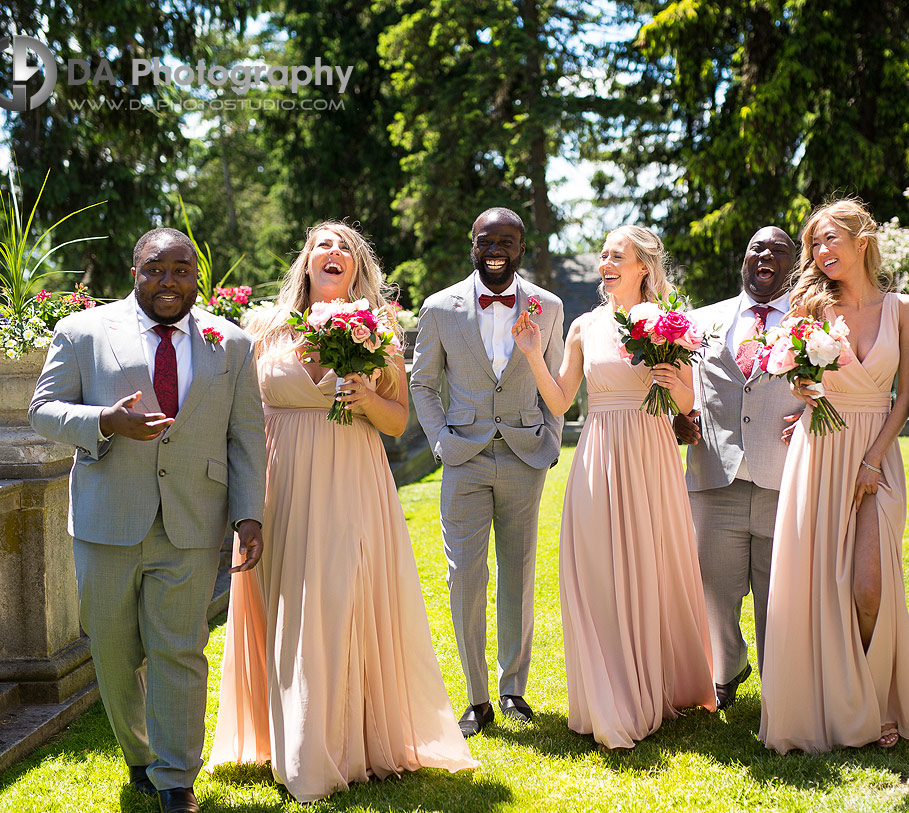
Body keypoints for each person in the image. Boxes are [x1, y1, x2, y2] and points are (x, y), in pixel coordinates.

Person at [207, 222, 477, 801]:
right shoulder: (262, 328)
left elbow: (400, 421)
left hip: (350, 477)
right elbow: (242, 417)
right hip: (279, 483)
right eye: (321, 246)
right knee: (281, 602)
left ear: (358, 269)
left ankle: (331, 746)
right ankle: (287, 738)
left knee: (334, 600)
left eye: (345, 249)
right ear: (305, 263)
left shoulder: (379, 332)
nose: (333, 255)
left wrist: (366, 397)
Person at [30, 228, 266, 813]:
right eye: (156, 270)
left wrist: (249, 514)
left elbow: (246, 437)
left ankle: (175, 778)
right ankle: (139, 755)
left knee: (178, 648)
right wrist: (104, 421)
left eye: (182, 270)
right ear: (134, 270)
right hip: (107, 518)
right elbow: (42, 411)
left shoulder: (230, 344)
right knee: (112, 649)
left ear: (197, 276)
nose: (169, 282)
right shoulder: (83, 331)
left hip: (191, 520)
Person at [512, 225, 716, 749]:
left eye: (616, 256)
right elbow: (560, 402)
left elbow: (689, 405)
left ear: (643, 266)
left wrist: (676, 383)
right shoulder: (583, 326)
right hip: (599, 455)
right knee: (600, 569)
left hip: (651, 453)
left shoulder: (671, 324)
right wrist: (533, 352)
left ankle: (662, 682)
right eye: (602, 255)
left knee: (653, 564)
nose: (605, 263)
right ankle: (613, 690)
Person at [758, 200, 909, 754]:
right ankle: (843, 704)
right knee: (817, 584)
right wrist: (801, 388)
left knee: (868, 589)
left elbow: (905, 395)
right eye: (814, 243)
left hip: (876, 455)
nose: (820, 252)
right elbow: (796, 379)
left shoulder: (906, 309)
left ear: (863, 239)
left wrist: (871, 460)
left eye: (830, 239)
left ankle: (877, 697)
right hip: (820, 450)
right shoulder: (809, 302)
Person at [409, 207, 565, 737]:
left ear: (522, 247)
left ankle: (514, 689)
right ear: (472, 243)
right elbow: (422, 384)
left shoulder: (549, 306)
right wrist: (439, 440)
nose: (496, 249)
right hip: (464, 458)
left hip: (525, 455)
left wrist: (548, 439)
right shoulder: (439, 308)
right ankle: (477, 699)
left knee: (519, 573)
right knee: (465, 579)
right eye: (487, 241)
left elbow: (559, 385)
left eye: (508, 241)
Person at [673, 226, 802, 710]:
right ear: (744, 259)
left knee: (777, 594)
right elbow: (676, 386)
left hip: (782, 476)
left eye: (779, 250)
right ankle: (727, 667)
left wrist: (814, 409)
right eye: (756, 248)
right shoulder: (701, 321)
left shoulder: (812, 323)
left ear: (793, 264)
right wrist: (675, 418)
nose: (766, 255)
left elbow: (840, 383)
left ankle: (779, 688)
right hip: (714, 475)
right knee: (712, 586)